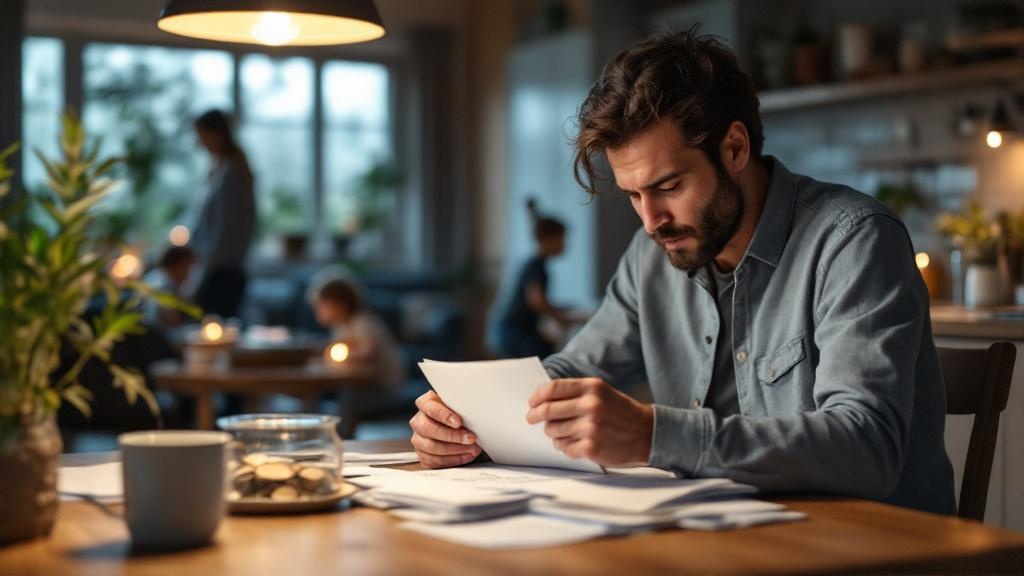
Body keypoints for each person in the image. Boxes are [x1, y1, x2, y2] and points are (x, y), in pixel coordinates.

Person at [408, 28, 955, 515]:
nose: (651, 221)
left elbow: (867, 448)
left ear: (735, 147)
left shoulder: (853, 239)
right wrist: (471, 423)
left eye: (669, 186)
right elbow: (572, 372)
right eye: (633, 196)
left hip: (874, 547)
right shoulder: (654, 254)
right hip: (722, 537)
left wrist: (654, 434)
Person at [189, 109, 256, 319]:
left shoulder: (232, 173)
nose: (199, 143)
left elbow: (225, 227)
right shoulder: (218, 171)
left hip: (222, 272)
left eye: (201, 136)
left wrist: (203, 272)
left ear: (217, 134)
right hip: (216, 268)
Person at [489, 199, 570, 358]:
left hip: (504, 331)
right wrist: (559, 317)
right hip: (512, 333)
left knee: (546, 348)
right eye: (561, 239)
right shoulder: (536, 265)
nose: (564, 245)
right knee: (545, 352)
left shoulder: (533, 263)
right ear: (548, 239)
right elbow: (536, 300)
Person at [311, 275, 405, 391]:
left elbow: (369, 352)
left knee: (348, 401)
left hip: (384, 385)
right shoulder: (340, 327)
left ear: (340, 304)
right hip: (360, 386)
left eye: (321, 307)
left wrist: (344, 356)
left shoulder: (362, 323)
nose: (318, 313)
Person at [142, 245, 196, 328]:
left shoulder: (153, 276)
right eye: (187, 267)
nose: (188, 274)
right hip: (156, 336)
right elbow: (173, 320)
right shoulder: (165, 285)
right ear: (179, 265)